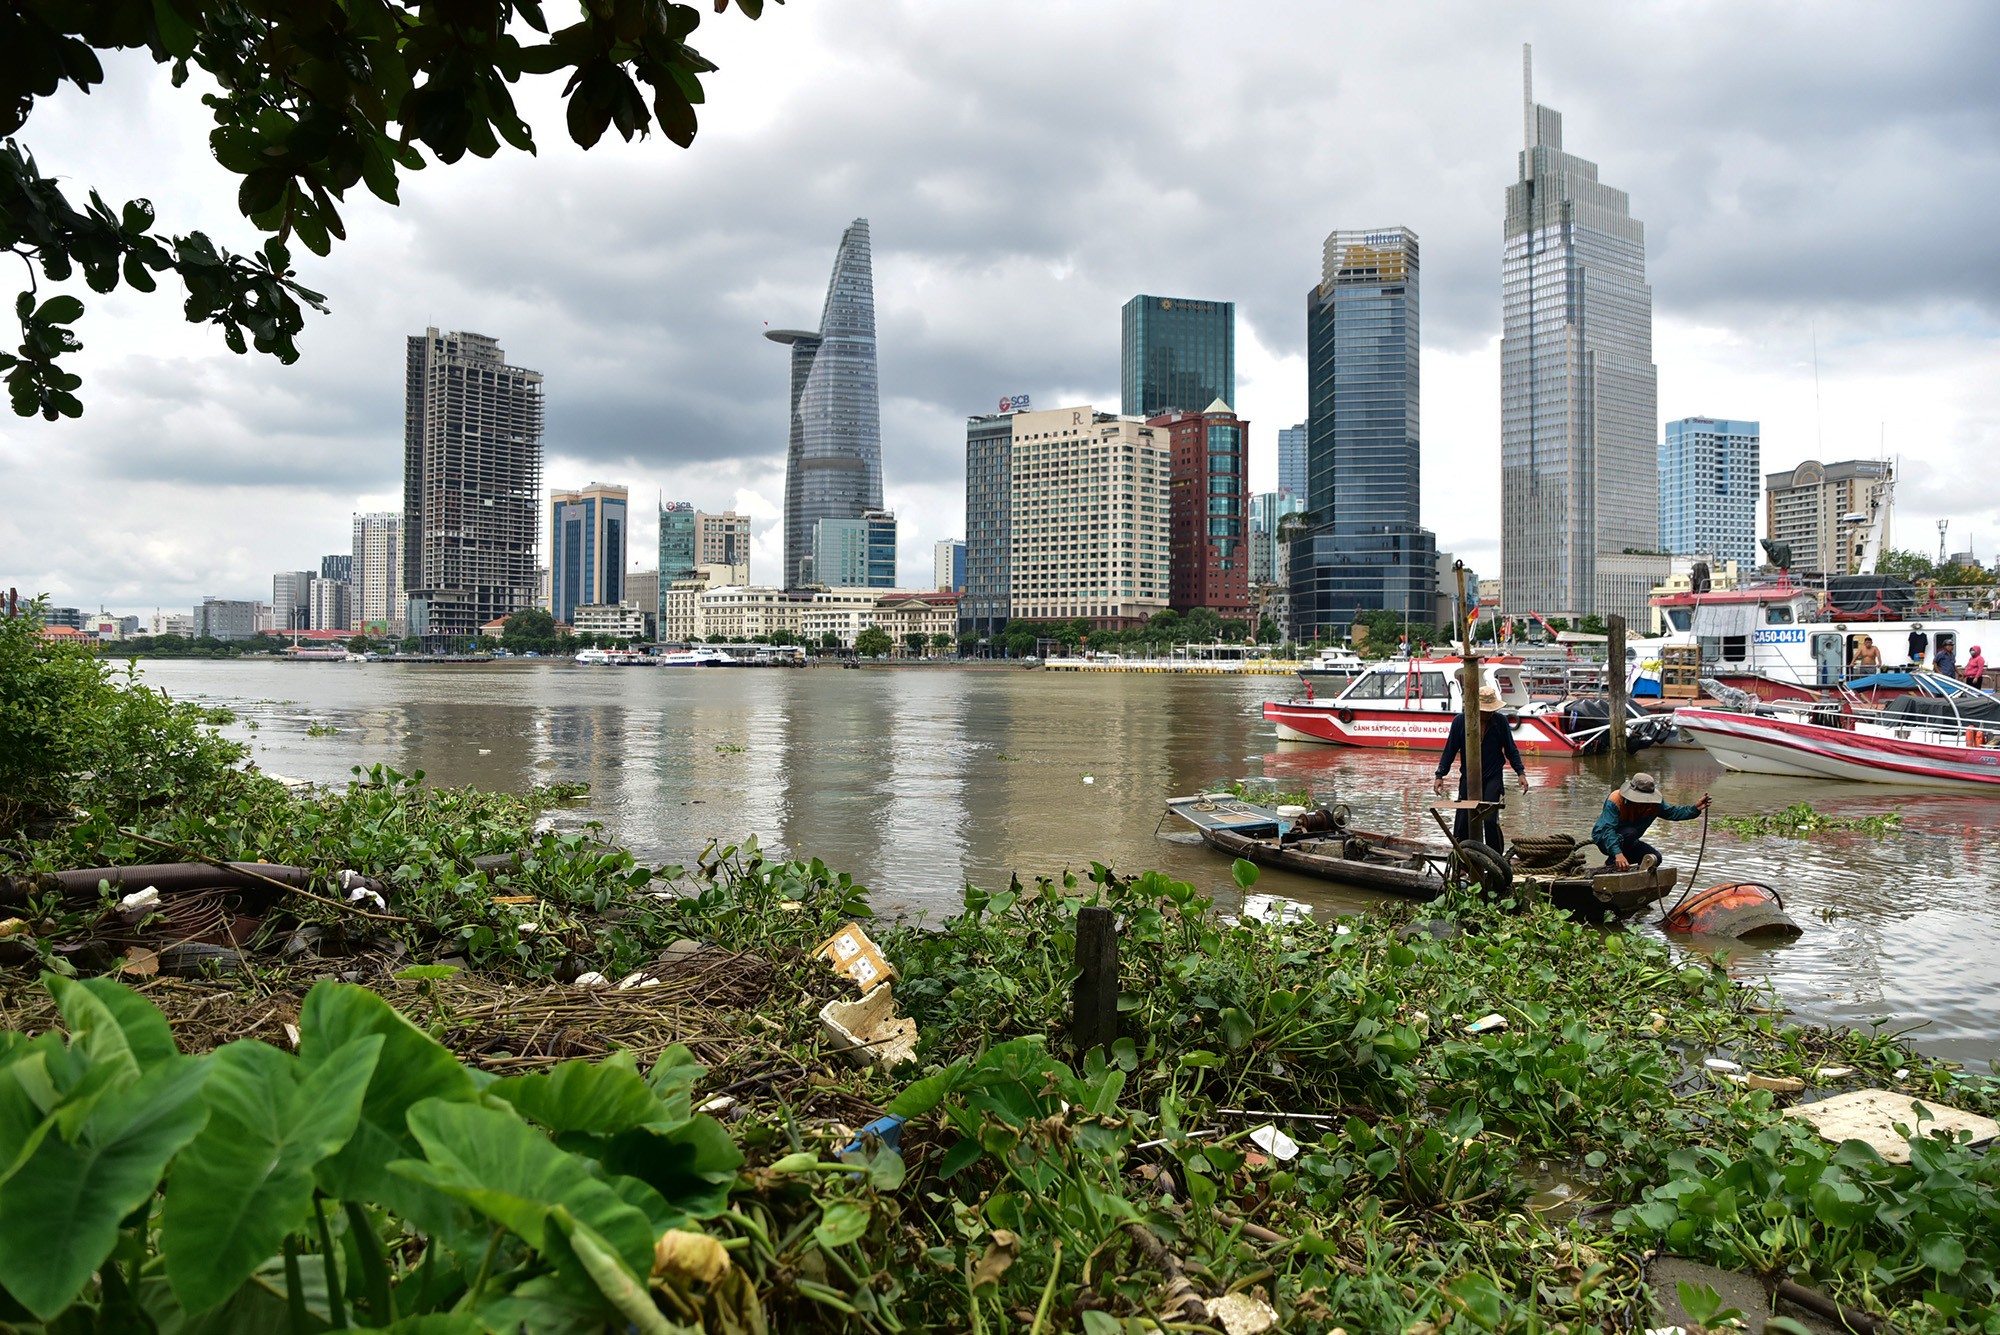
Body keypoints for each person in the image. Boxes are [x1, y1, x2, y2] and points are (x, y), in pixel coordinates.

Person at [1432, 683, 1529, 853]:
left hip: (1493, 775)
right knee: (1463, 820)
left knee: (1490, 820)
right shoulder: (1460, 722)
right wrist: (1440, 774)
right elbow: (1450, 749)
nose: (1489, 713)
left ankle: (1496, 858)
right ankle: (1463, 860)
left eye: (1491, 710)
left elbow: (1510, 749)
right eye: (1486, 710)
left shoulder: (1499, 722)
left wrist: (1520, 772)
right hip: (1469, 777)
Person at [1593, 772, 1710, 870]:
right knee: (1630, 832)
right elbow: (1608, 830)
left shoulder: (1654, 804)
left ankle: (1632, 875)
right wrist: (1618, 854)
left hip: (1629, 841)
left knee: (1654, 858)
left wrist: (1695, 809)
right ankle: (1611, 863)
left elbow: (1673, 812)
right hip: (1605, 839)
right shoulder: (1615, 800)